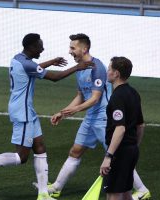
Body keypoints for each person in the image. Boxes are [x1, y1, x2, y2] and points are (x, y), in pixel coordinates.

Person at [0, 33, 94, 200]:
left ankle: (43, 194)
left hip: (26, 111)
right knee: (21, 157)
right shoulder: (27, 64)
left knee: (40, 147)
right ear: (32, 47)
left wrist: (51, 62)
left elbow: (33, 67)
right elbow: (54, 78)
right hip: (22, 113)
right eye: (40, 45)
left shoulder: (18, 58)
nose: (43, 48)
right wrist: (77, 67)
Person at [35, 33, 111, 198]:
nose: (70, 51)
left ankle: (141, 189)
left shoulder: (97, 67)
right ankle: (56, 187)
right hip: (91, 117)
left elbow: (96, 98)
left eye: (72, 48)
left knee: (116, 155)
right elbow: (81, 96)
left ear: (84, 49)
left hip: (103, 118)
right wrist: (62, 113)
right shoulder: (80, 68)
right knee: (75, 151)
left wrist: (75, 111)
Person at [100, 57, 148, 200]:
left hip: (120, 153)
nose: (107, 72)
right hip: (131, 150)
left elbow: (120, 129)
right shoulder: (133, 93)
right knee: (126, 193)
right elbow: (141, 125)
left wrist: (108, 157)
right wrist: (134, 147)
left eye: (109, 69)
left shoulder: (117, 97)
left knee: (113, 195)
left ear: (116, 74)